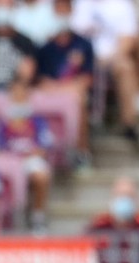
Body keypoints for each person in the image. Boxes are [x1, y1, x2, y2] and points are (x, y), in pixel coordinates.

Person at [72, 0, 139, 148]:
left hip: (111, 57)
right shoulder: (80, 4)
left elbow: (128, 40)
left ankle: (129, 123)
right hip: (82, 59)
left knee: (126, 67)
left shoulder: (121, 5)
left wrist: (109, 58)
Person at [36, 0, 93, 168]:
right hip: (51, 94)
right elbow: (42, 81)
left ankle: (81, 152)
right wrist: (59, 89)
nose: (62, 13)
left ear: (71, 11)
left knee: (79, 99)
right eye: (58, 8)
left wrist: (63, 88)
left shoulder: (83, 44)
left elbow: (86, 79)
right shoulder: (45, 48)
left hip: (73, 93)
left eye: (65, 8)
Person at [0, 77, 54, 227]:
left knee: (41, 176)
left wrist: (30, 155)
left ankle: (37, 217)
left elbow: (44, 147)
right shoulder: (3, 123)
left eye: (22, 94)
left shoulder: (37, 121)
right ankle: (7, 217)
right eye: (15, 94)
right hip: (9, 161)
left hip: (30, 160)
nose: (19, 97)